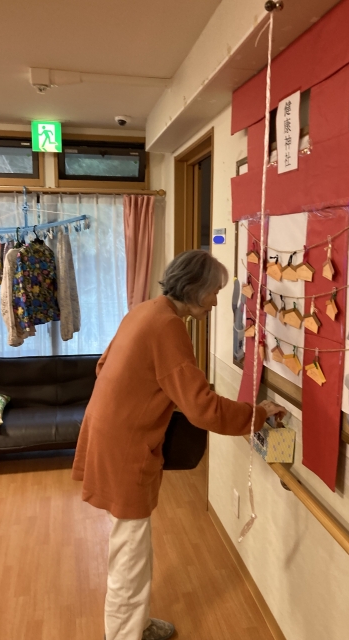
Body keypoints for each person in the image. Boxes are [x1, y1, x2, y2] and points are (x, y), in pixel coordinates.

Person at [72, 250, 286, 640]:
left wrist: (153, 399)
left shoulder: (145, 311)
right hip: (124, 446)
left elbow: (103, 366)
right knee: (130, 550)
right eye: (214, 291)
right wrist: (255, 415)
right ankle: (124, 635)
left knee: (131, 543)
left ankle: (134, 624)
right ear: (194, 288)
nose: (216, 301)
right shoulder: (168, 327)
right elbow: (203, 409)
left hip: (107, 432)